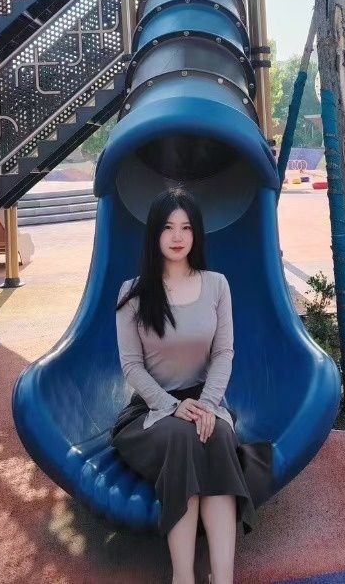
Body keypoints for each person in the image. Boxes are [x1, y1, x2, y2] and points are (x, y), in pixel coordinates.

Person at [111, 187, 273, 584]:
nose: (177, 236)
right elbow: (131, 367)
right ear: (155, 233)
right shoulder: (133, 293)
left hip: (206, 399)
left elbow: (224, 353)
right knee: (184, 438)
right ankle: (182, 576)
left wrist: (208, 404)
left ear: (196, 234)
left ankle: (223, 578)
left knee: (217, 437)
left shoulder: (217, 284)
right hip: (152, 409)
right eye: (168, 227)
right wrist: (171, 406)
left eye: (186, 227)